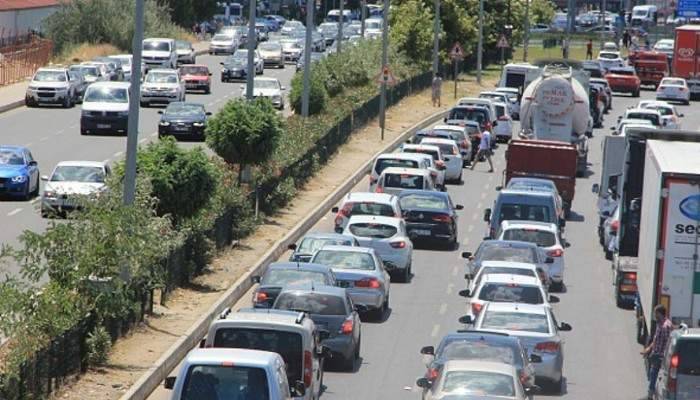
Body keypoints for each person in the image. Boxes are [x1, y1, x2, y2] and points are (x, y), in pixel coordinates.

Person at [641, 304, 673, 399]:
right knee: (651, 374)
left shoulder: (666, 326)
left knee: (655, 376)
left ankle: (651, 396)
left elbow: (668, 344)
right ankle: (651, 394)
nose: (654, 315)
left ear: (659, 313)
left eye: (656, 313)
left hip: (661, 357)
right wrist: (648, 349)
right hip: (656, 354)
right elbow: (656, 340)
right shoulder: (660, 324)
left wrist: (663, 358)